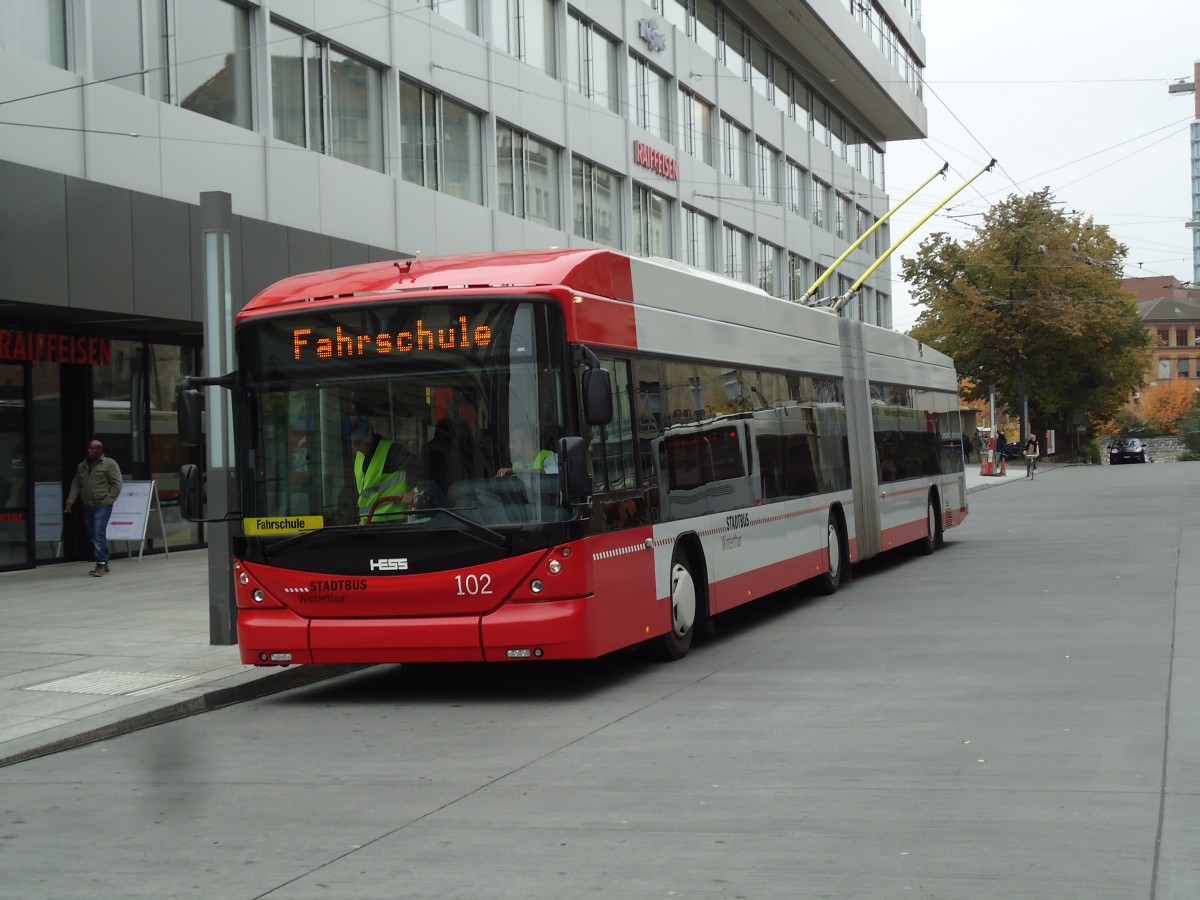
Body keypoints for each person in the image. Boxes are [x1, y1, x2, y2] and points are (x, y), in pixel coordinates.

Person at [65, 439, 123, 576]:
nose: (89, 451)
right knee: (93, 536)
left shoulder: (109, 464)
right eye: (88, 449)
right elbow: (76, 484)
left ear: (100, 450)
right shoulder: (82, 466)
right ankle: (105, 560)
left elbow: (117, 484)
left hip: (102, 505)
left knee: (98, 534)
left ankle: (100, 564)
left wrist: (108, 501)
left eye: (93, 449)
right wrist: (71, 499)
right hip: (87, 505)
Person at [347, 418, 418, 523]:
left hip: (393, 520)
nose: (355, 448)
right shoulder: (359, 456)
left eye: (357, 443)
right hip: (368, 522)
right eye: (352, 444)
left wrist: (414, 492)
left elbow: (420, 471)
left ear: (369, 436)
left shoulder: (392, 450)